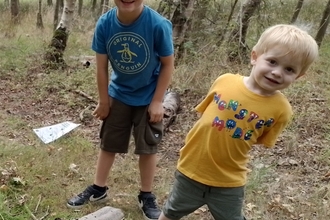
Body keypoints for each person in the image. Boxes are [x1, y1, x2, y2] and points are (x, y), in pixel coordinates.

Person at [158, 24, 318, 220]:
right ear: (254, 57)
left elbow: (256, 139)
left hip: (229, 182)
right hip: (191, 169)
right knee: (171, 211)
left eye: (289, 69)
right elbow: (206, 118)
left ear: (299, 76)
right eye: (272, 61)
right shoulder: (224, 81)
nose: (277, 72)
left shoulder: (281, 110)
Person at [66, 1, 174, 220]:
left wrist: (157, 101)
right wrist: (104, 100)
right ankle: (99, 188)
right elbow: (102, 66)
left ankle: (146, 195)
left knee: (147, 146)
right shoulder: (105, 23)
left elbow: (168, 64)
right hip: (119, 93)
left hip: (148, 96)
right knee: (109, 142)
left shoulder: (157, 24)